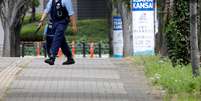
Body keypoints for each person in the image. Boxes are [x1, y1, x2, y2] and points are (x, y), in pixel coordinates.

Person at [39, 0, 77, 65]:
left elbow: (71, 13)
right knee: (62, 41)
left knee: (57, 37)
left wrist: (74, 26)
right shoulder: (51, 1)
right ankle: (70, 58)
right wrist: (41, 21)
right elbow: (46, 10)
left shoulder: (66, 1)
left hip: (63, 22)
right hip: (54, 22)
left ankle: (52, 57)